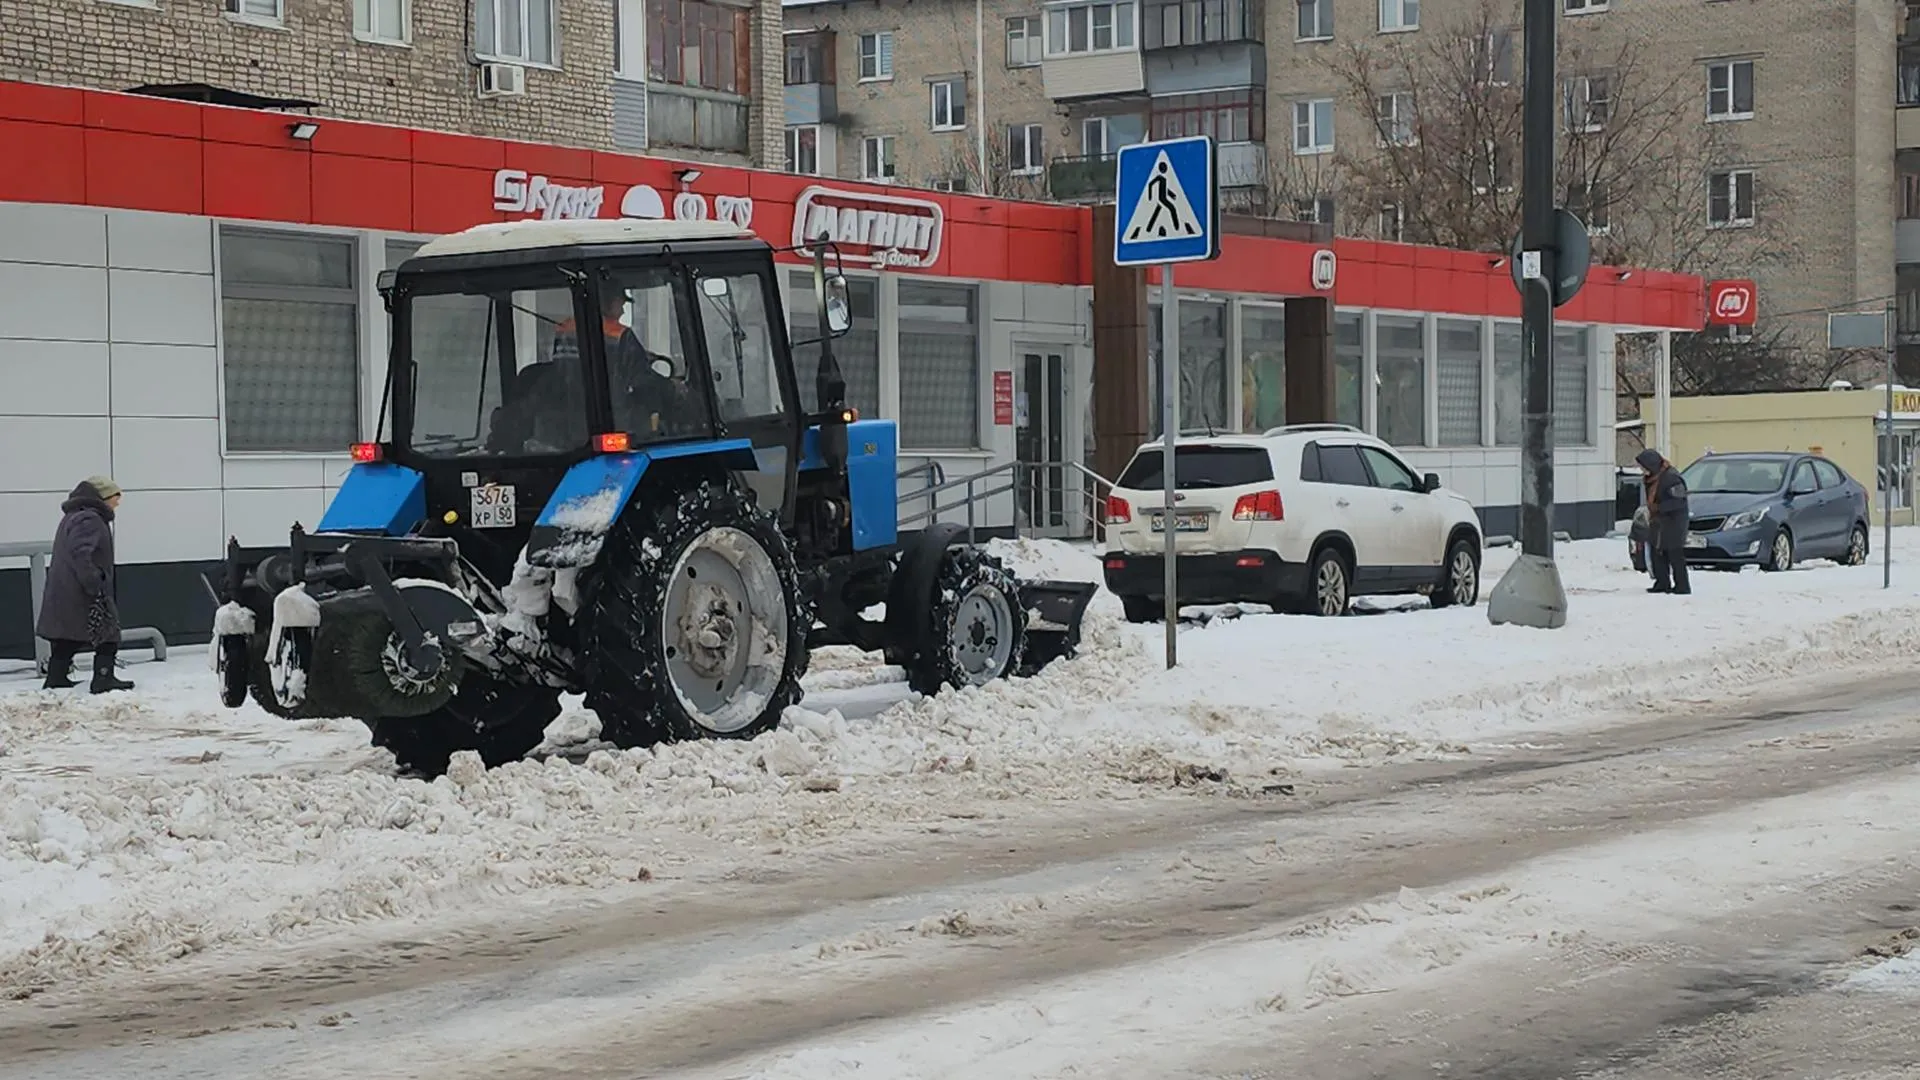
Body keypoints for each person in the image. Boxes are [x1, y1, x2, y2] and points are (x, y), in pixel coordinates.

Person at [37, 477, 134, 693]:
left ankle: (56, 678)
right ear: (103, 497)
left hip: (68, 589)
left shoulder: (75, 516)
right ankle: (103, 678)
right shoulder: (89, 519)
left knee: (68, 636)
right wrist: (94, 581)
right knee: (108, 634)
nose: (118, 502)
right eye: (115, 497)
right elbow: (81, 554)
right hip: (83, 590)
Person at [1636, 449, 1691, 596]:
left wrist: (1659, 508)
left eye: (1643, 467)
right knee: (1657, 552)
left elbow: (1679, 501)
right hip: (1659, 522)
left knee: (1674, 554)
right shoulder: (1652, 478)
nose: (1642, 470)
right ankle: (1662, 583)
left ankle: (1682, 586)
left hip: (1674, 522)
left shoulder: (1671, 478)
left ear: (1651, 465)